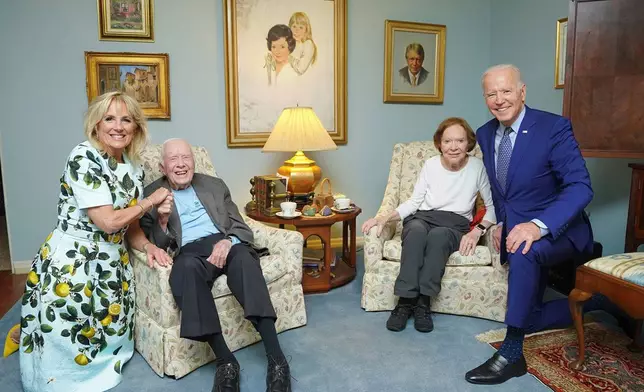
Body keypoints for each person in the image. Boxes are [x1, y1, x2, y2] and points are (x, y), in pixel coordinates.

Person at [19, 91, 173, 392]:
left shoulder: (134, 166)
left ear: (136, 128)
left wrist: (149, 246)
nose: (118, 126)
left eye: (126, 119)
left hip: (112, 264)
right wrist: (151, 201)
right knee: (66, 334)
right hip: (73, 262)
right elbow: (108, 221)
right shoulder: (83, 157)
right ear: (96, 125)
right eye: (110, 118)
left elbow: (129, 228)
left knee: (105, 333)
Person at [464, 64, 596, 385]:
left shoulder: (553, 128)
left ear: (522, 92)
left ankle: (511, 354)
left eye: (506, 91)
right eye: (491, 94)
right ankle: (600, 302)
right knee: (530, 317)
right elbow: (499, 191)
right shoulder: (484, 133)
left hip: (560, 230)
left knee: (525, 247)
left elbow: (580, 187)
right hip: (514, 231)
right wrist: (495, 223)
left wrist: (538, 226)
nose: (499, 99)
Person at [140, 138, 291, 392]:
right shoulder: (152, 195)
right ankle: (226, 362)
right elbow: (156, 244)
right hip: (189, 252)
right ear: (162, 166)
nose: (180, 164)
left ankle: (277, 360)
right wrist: (163, 221)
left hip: (225, 243)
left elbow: (240, 226)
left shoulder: (214, 185)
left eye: (185, 158)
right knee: (184, 271)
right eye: (173, 159)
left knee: (245, 260)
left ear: (193, 161)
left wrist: (228, 242)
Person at [362, 117, 496, 333]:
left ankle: (424, 303)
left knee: (439, 237)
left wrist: (477, 232)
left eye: (460, 141)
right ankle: (405, 302)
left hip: (454, 223)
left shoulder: (477, 167)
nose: (454, 147)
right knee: (414, 231)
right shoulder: (431, 165)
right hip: (423, 217)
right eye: (448, 141)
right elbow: (415, 202)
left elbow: (492, 207)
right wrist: (384, 218)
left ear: (468, 143)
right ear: (439, 144)